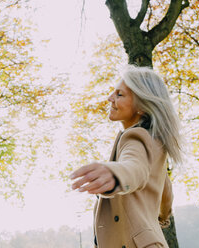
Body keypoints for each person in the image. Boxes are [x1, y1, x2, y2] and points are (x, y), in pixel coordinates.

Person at [70, 65, 182, 248]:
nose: (110, 98)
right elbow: (165, 194)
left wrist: (116, 175)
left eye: (119, 95)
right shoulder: (155, 142)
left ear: (142, 107)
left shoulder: (136, 137)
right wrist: (154, 222)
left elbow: (134, 167)